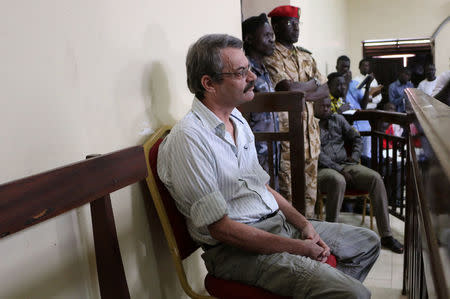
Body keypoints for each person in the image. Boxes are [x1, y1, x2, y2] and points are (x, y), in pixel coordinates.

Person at [158, 33, 380, 298]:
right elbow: (222, 229)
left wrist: (303, 225)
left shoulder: (237, 121)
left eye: (249, 69)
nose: (252, 78)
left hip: (274, 225)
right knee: (356, 295)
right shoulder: (189, 139)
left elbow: (263, 188)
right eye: (241, 72)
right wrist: (298, 248)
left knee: (367, 243)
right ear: (209, 84)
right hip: (235, 251)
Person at [314, 96, 404, 254]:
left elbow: (356, 138)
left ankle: (386, 235)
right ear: (313, 106)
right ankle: (330, 235)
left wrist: (354, 157)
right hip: (323, 169)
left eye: (328, 106)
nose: (326, 109)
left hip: (346, 165)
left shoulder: (338, 120)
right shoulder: (311, 125)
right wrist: (338, 169)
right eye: (322, 106)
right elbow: (316, 153)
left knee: (375, 178)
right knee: (338, 180)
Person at [262, 5, 327, 216]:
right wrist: (311, 85)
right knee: (288, 200)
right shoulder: (270, 57)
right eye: (291, 24)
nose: (296, 28)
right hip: (288, 143)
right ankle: (294, 245)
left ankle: (311, 240)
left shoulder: (307, 56)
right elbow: (286, 89)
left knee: (310, 197)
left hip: (311, 140)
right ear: (277, 26)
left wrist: (304, 91)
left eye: (298, 24)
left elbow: (325, 89)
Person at [242, 13, 279, 180]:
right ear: (249, 39)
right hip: (256, 150)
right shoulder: (245, 71)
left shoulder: (264, 69)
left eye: (272, 35)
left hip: (272, 149)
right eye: (266, 35)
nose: (272, 40)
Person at [335, 57, 373, 163]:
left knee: (366, 157)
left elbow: (363, 106)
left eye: (347, 67)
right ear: (337, 67)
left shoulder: (355, 83)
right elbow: (340, 101)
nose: (346, 69)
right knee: (353, 158)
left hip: (364, 125)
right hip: (349, 127)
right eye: (343, 67)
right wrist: (346, 83)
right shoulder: (334, 84)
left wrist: (367, 86)